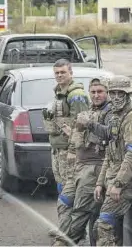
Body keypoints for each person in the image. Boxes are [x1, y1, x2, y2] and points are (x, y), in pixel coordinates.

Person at [76, 75, 132, 246]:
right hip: (114, 174)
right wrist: (100, 182)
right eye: (113, 93)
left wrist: (118, 184)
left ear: (128, 94)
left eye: (121, 93)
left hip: (128, 177)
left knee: (104, 225)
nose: (117, 97)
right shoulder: (116, 116)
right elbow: (111, 153)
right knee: (103, 223)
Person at [57, 77, 113, 246]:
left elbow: (111, 134)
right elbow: (76, 138)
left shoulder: (111, 113)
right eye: (93, 92)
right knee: (64, 202)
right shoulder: (89, 109)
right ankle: (66, 236)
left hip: (95, 167)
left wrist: (89, 124)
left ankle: (65, 242)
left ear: (108, 93)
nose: (96, 95)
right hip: (78, 166)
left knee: (81, 210)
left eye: (100, 92)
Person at [42, 59, 89, 245]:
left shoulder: (76, 95)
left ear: (71, 72)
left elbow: (81, 126)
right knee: (62, 188)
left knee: (70, 194)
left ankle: (73, 235)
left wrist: (72, 150)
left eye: (63, 72)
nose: (60, 75)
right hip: (58, 150)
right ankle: (64, 227)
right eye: (57, 73)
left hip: (69, 153)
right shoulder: (59, 93)